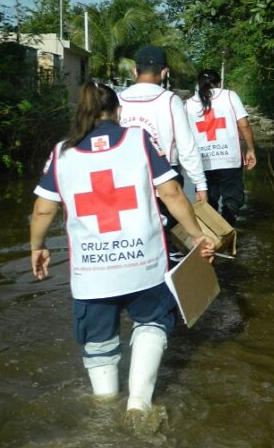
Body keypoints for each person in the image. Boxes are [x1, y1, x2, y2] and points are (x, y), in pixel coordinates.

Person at [29, 82, 215, 422]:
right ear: (118, 111)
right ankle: (139, 405)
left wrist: (37, 246)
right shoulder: (138, 140)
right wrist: (197, 235)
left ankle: (103, 409)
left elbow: (43, 209)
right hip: (143, 264)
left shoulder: (61, 153)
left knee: (98, 342)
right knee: (152, 321)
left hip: (91, 273)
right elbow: (172, 192)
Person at [118, 46, 208, 212]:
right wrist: (200, 184)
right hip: (165, 180)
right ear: (165, 72)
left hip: (124, 180)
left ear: (134, 71)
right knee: (165, 234)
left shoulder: (117, 100)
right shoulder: (170, 100)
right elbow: (186, 147)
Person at [184, 69, 257, 226]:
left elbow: (185, 136)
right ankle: (228, 225)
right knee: (233, 199)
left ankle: (213, 238)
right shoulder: (229, 96)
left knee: (207, 202)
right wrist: (251, 149)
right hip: (230, 159)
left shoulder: (189, 104)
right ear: (218, 83)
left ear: (199, 84)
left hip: (203, 162)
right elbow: (243, 125)